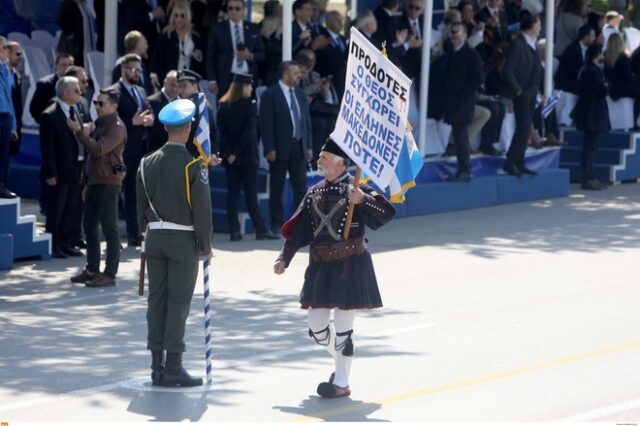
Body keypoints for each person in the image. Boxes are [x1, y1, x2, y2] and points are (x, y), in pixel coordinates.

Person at [273, 139, 396, 398]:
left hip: (349, 264)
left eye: (324, 156)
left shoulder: (358, 188)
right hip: (320, 266)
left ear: (341, 162)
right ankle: (341, 360)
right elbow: (299, 229)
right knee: (316, 326)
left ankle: (341, 382)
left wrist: (363, 200)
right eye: (320, 155)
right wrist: (285, 256)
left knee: (343, 330)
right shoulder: (314, 191)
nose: (319, 160)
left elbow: (385, 214)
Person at [136, 99, 213, 387]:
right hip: (183, 239)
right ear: (188, 128)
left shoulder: (145, 163)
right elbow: (202, 212)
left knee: (156, 300)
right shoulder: (194, 165)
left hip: (154, 238)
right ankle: (174, 366)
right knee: (178, 302)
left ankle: (156, 366)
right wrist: (206, 244)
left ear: (167, 128)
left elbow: (139, 208)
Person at [68, 88, 127, 287]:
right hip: (94, 181)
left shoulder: (117, 127)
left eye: (101, 103)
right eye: (95, 103)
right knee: (89, 228)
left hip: (109, 183)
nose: (97, 106)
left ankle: (109, 273)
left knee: (110, 230)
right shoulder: (100, 124)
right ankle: (92, 268)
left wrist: (78, 132)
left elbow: (98, 150)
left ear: (114, 106)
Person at [217, 73, 278, 241]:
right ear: (243, 86)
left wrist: (230, 153)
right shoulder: (250, 105)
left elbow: (222, 134)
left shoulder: (223, 105)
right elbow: (249, 131)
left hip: (231, 157)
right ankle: (261, 229)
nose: (251, 88)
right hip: (247, 156)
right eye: (249, 85)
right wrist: (236, 152)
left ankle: (234, 231)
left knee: (233, 194)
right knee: (250, 195)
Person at [258, 61, 313, 234]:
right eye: (295, 73)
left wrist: (309, 145)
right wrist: (269, 148)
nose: (299, 76)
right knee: (277, 185)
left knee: (300, 186)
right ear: (285, 74)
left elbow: (306, 121)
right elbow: (265, 124)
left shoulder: (299, 93)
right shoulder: (270, 94)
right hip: (279, 147)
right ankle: (277, 222)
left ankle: (300, 222)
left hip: (299, 146)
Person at [107, 53, 155, 247]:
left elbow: (148, 109)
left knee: (134, 193)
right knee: (114, 193)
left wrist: (150, 118)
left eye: (139, 69)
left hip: (140, 148)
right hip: (121, 150)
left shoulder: (141, 90)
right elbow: (107, 121)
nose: (137, 73)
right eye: (134, 69)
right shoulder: (113, 92)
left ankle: (134, 234)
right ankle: (112, 236)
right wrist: (131, 122)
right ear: (124, 70)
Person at [39, 76, 84, 258]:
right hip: (59, 170)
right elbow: (47, 148)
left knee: (71, 207)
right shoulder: (50, 114)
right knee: (57, 208)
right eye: (76, 90)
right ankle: (54, 244)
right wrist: (50, 172)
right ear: (65, 93)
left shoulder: (77, 110)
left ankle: (66, 243)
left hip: (75, 167)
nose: (80, 93)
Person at [502, 10, 543, 177]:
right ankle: (511, 160)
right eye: (538, 24)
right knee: (524, 126)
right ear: (531, 26)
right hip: (522, 92)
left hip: (531, 91)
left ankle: (520, 161)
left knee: (526, 128)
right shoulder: (518, 44)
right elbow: (508, 70)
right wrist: (518, 91)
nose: (540, 27)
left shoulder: (531, 44)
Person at [443, 22, 485, 182]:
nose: (454, 35)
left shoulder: (470, 54)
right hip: (454, 100)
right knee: (459, 134)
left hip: (463, 101)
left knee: (461, 135)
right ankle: (463, 168)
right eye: (452, 32)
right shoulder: (452, 52)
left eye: (457, 32)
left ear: (465, 35)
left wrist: (462, 93)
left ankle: (465, 169)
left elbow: (478, 79)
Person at [206, 0, 265, 96]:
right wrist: (212, 80)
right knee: (225, 109)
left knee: (247, 110)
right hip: (225, 78)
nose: (233, 11)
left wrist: (249, 56)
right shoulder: (217, 29)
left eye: (237, 8)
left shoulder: (254, 28)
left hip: (248, 79)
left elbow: (262, 55)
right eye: (230, 8)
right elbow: (210, 56)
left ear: (244, 10)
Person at [574, 43, 610, 190]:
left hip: (591, 110)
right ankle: (587, 177)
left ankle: (591, 175)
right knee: (590, 146)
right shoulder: (591, 71)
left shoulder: (588, 69)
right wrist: (606, 87)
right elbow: (599, 89)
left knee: (592, 146)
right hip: (591, 111)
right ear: (597, 54)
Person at [153, 2, 206, 83]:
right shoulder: (166, 35)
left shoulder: (196, 35)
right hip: (171, 79)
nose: (179, 19)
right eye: (176, 15)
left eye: (182, 16)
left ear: (187, 18)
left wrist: (198, 56)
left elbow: (202, 57)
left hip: (190, 78)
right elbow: (157, 58)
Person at [177, 69, 219, 159]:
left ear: (195, 86)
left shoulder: (189, 106)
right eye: (179, 86)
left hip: (189, 158)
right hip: (201, 158)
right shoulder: (206, 105)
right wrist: (213, 153)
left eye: (184, 86)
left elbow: (213, 132)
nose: (180, 90)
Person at [29, 53, 74, 124]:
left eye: (70, 65)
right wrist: (47, 124)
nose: (67, 68)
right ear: (56, 65)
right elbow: (34, 110)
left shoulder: (77, 83)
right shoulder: (45, 84)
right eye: (64, 65)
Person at [148, 70, 178, 152]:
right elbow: (152, 129)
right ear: (165, 83)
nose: (175, 88)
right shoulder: (152, 101)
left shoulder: (181, 103)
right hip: (156, 150)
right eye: (172, 85)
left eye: (178, 86)